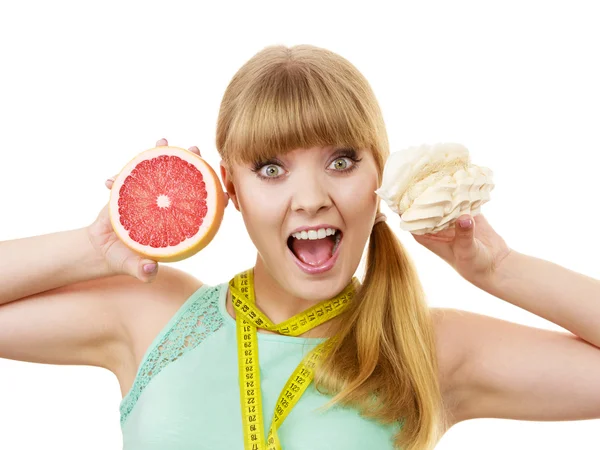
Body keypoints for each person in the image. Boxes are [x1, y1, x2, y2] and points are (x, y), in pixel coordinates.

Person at [1, 44, 599, 450]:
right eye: (270, 169)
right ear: (229, 188)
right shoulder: (152, 320)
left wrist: (500, 268)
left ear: (379, 178)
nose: (310, 198)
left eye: (342, 161)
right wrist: (93, 246)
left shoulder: (426, 346)